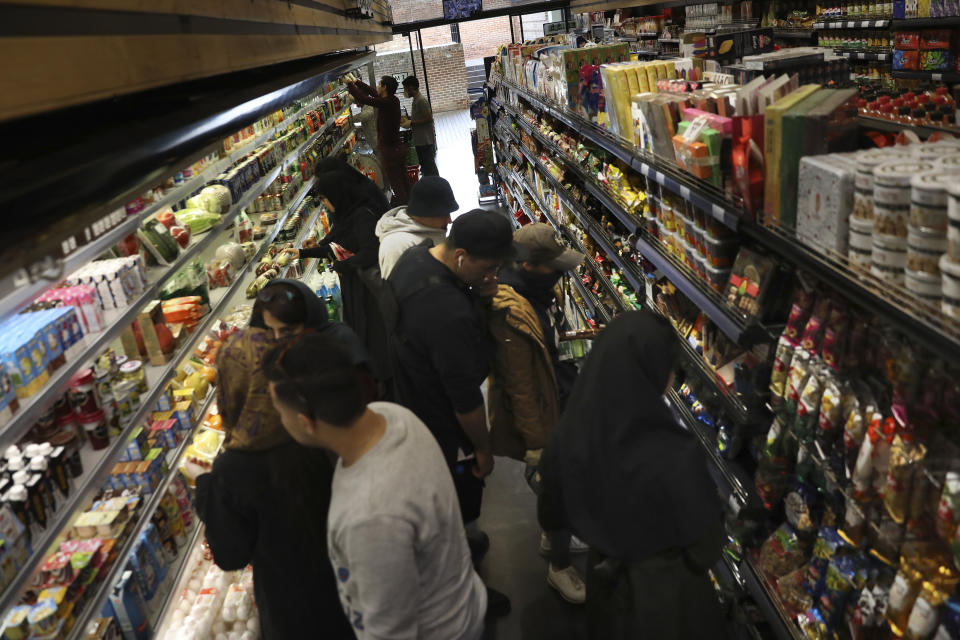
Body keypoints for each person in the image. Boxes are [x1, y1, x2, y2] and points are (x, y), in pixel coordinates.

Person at [263, 333, 488, 640]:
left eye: (279, 411)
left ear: (306, 422)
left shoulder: (369, 518)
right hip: (461, 604)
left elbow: (390, 632)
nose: (279, 418)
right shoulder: (393, 416)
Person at [193, 280, 372, 639]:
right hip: (352, 576)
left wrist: (205, 488)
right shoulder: (311, 423)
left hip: (291, 602)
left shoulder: (234, 467)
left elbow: (230, 555)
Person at [538, 311, 727, 639]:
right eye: (671, 368)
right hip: (669, 602)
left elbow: (551, 512)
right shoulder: (674, 454)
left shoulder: (568, 433)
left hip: (604, 589)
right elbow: (706, 550)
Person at [387, 210, 525, 613]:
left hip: (413, 399)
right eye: (489, 265)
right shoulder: (445, 310)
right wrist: (481, 448)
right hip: (442, 424)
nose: (495, 272)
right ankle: (464, 593)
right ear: (462, 255)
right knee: (451, 504)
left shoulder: (417, 256)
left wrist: (478, 290)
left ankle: (464, 540)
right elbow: (463, 397)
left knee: (447, 505)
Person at [485, 223, 587, 604]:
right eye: (553, 265)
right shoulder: (512, 312)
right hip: (545, 413)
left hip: (561, 399)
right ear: (529, 265)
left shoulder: (541, 293)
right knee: (557, 485)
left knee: (559, 486)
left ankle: (551, 529)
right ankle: (559, 568)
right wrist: (536, 442)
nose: (560, 271)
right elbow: (521, 387)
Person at [285, 168, 390, 385]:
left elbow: (370, 252)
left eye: (325, 198)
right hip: (355, 283)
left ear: (337, 194)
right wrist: (303, 253)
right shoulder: (347, 215)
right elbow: (337, 247)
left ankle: (381, 379)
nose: (324, 203)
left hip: (366, 289)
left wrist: (344, 265)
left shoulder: (362, 216)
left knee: (372, 332)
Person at [376, 176, 458, 279]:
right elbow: (396, 292)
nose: (449, 220)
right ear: (426, 212)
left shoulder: (434, 229)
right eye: (444, 214)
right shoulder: (395, 246)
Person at [346, 74, 410, 205]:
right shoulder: (392, 100)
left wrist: (349, 84)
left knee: (397, 184)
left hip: (390, 151)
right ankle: (411, 205)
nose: (377, 87)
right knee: (403, 180)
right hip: (397, 148)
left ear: (385, 87)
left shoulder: (386, 103)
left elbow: (364, 98)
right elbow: (372, 93)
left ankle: (406, 212)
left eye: (380, 84)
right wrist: (356, 81)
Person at [400, 76, 438, 178]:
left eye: (405, 88)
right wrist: (408, 119)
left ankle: (437, 186)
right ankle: (430, 185)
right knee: (425, 167)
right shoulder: (416, 100)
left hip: (425, 140)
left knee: (430, 166)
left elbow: (429, 118)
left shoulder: (421, 100)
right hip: (420, 140)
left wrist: (411, 123)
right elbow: (419, 117)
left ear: (411, 87)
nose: (405, 91)